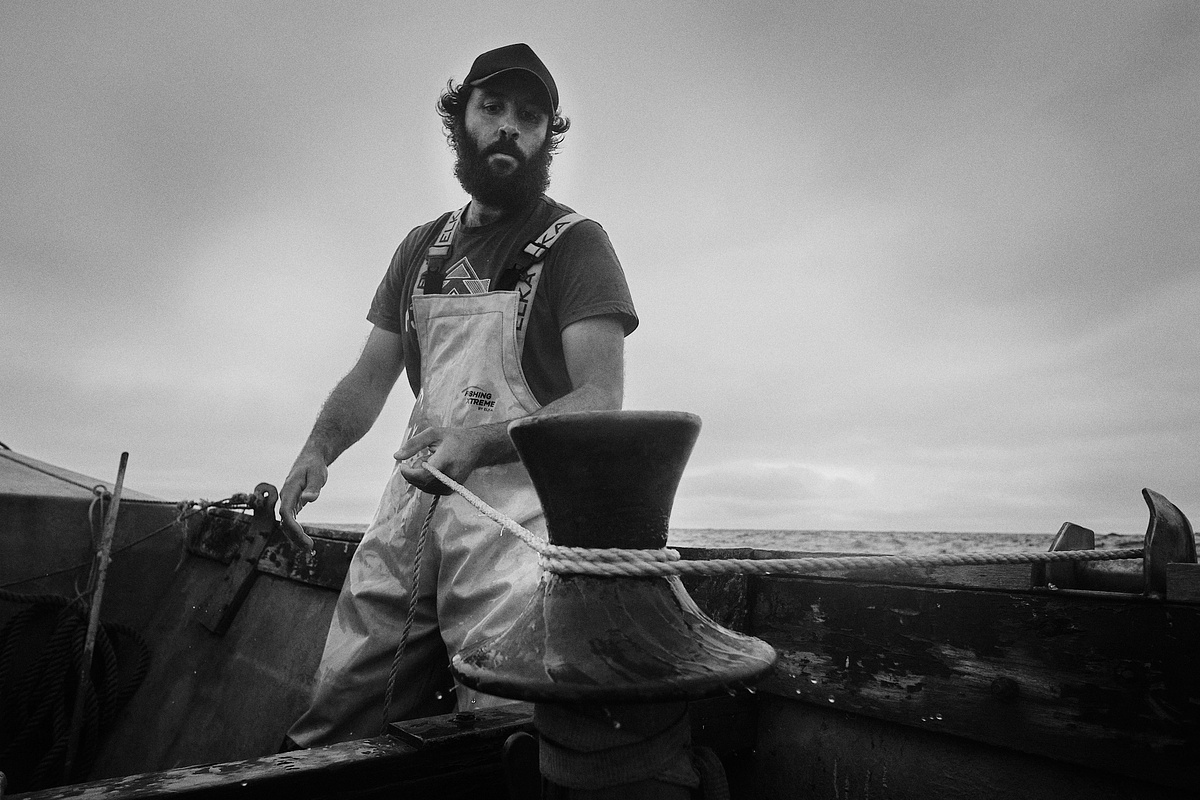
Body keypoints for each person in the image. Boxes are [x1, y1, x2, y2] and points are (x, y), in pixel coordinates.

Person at [278, 43, 638, 748]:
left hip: (515, 523)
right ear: (461, 119)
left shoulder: (576, 245)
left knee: (504, 724)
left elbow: (601, 398)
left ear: (547, 138)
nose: (509, 127)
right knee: (340, 712)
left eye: (530, 117)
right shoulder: (420, 249)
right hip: (410, 506)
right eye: (492, 107)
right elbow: (370, 374)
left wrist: (480, 441)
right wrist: (317, 450)